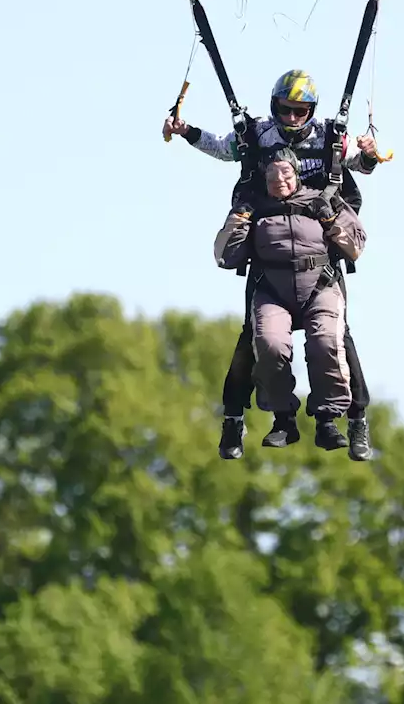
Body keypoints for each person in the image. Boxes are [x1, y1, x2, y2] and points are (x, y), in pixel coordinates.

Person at [162, 69, 383, 461]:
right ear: (274, 106)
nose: (293, 118)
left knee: (333, 340)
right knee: (259, 339)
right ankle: (253, 419)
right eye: (286, 110)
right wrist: (186, 131)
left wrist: (367, 151)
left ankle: (352, 419)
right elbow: (222, 147)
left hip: (320, 261)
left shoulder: (330, 138)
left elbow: (364, 163)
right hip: (270, 264)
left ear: (311, 112)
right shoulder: (259, 135)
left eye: (301, 111)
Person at [212, 147, 367, 458]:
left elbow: (356, 246)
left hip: (319, 286)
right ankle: (283, 418)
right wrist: (240, 219)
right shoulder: (255, 206)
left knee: (327, 343)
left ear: (296, 175)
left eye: (285, 174)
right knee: (268, 344)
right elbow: (224, 256)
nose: (279, 181)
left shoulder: (322, 200)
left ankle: (328, 419)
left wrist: (330, 218)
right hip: (272, 289)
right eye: (271, 175)